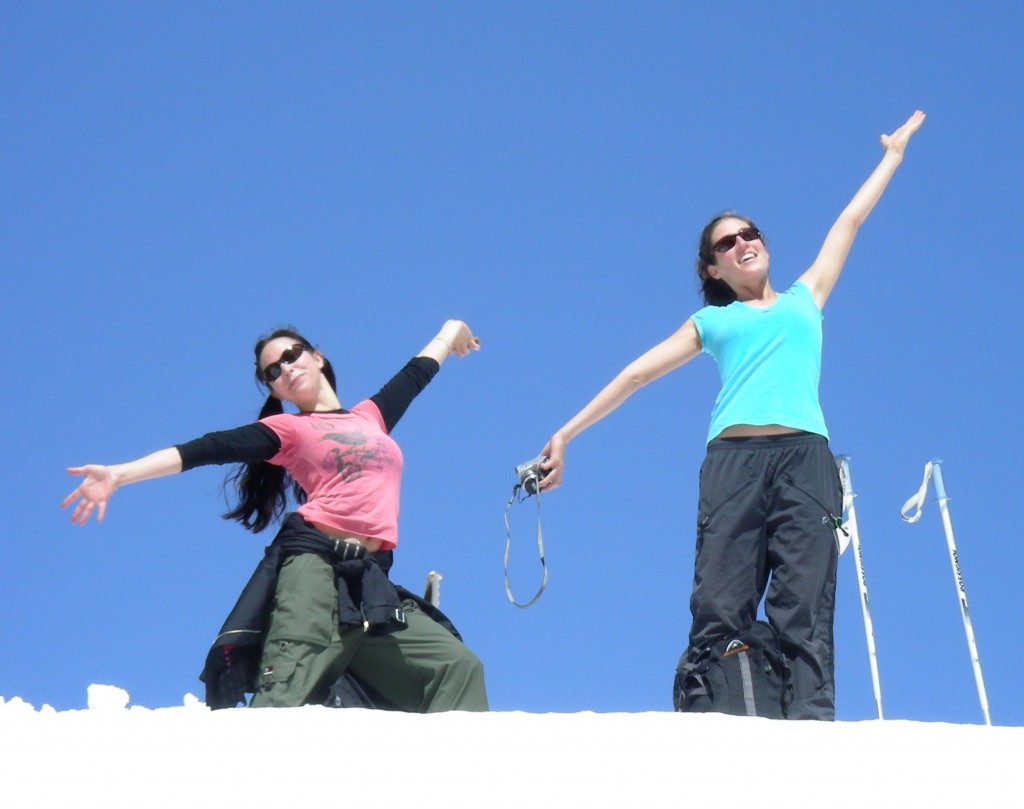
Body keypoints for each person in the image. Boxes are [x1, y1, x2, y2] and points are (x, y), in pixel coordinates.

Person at [538, 112, 926, 720]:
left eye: (750, 232)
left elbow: (849, 221)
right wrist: (565, 433)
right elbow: (635, 375)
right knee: (720, 604)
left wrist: (893, 156)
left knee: (805, 610)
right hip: (735, 464)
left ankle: (810, 733)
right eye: (726, 242)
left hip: (807, 463)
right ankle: (714, 723)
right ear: (712, 270)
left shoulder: (807, 297)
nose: (744, 242)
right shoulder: (713, 322)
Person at [63, 320, 489, 712]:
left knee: (456, 667)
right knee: (282, 699)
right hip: (314, 572)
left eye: (292, 355)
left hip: (370, 585)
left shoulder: (370, 417)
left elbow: (416, 373)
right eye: (272, 372)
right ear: (276, 392)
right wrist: (119, 474)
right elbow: (205, 448)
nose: (284, 368)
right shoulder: (288, 431)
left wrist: (451, 332)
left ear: (317, 357)